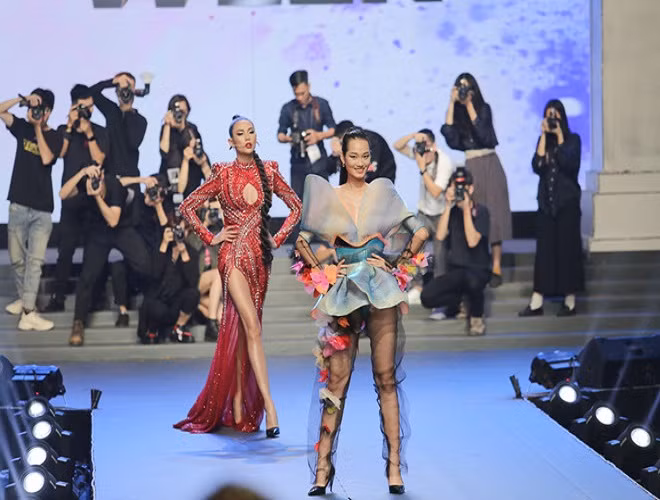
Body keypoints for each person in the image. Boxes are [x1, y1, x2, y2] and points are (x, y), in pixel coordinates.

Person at [295, 128, 429, 496]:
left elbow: (419, 231)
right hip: (343, 295)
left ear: (371, 160)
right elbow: (302, 240)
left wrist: (396, 262)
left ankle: (394, 467)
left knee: (386, 378)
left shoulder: (383, 191)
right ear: (342, 158)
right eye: (352, 156)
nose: (359, 162)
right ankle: (322, 468)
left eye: (364, 156)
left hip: (381, 290)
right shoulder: (329, 195)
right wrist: (325, 271)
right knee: (336, 383)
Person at [174, 116, 302, 437]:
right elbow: (188, 206)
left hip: (260, 260)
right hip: (232, 257)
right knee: (252, 327)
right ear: (230, 142)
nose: (247, 137)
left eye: (251, 132)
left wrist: (279, 237)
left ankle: (239, 402)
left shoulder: (268, 171)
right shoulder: (223, 173)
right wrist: (211, 236)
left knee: (247, 329)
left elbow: (296, 207)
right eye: (240, 134)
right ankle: (271, 407)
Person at [61, 165, 153, 346]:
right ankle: (78, 323)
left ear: (102, 176)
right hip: (98, 232)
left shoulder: (113, 185)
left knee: (145, 264)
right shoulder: (86, 184)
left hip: (121, 227)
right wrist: (81, 173)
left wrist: (96, 196)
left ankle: (131, 285)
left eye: (97, 178)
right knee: (87, 276)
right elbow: (63, 194)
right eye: (92, 179)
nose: (94, 182)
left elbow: (113, 220)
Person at [441, 72, 511, 287]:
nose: (463, 91)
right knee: (473, 212)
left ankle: (496, 266)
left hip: (490, 163)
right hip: (472, 164)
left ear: (473, 90)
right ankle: (479, 263)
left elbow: (484, 134)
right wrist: (452, 103)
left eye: (467, 87)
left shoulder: (483, 109)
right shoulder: (457, 115)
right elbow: (450, 138)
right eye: (459, 87)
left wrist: (469, 104)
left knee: (495, 213)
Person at [0, 89, 62, 331]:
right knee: (17, 259)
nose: (33, 111)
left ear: (48, 112)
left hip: (42, 209)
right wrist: (21, 100)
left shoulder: (55, 136)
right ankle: (26, 301)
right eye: (31, 107)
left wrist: (38, 128)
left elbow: (46, 158)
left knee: (34, 262)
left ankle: (28, 312)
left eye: (38, 108)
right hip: (18, 203)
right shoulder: (22, 128)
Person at [45, 84, 109, 312]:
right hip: (71, 198)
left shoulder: (99, 131)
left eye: (90, 107)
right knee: (65, 251)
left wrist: (89, 133)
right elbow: (59, 155)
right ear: (73, 106)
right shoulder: (65, 130)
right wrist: (71, 127)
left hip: (94, 199)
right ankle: (58, 297)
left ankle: (96, 298)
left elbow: (100, 159)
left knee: (95, 252)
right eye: (82, 107)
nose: (87, 111)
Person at [519, 99, 584, 317]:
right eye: (549, 115)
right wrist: (544, 136)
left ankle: (570, 301)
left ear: (562, 117)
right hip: (546, 205)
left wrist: (559, 135)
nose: (552, 119)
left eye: (555, 115)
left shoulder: (573, 140)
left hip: (567, 204)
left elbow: (569, 164)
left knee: (567, 251)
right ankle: (536, 302)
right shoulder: (544, 141)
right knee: (544, 253)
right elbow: (537, 166)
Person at [420, 168, 491, 336]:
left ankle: (476, 317)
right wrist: (447, 205)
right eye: (455, 186)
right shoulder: (451, 212)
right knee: (427, 296)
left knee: (473, 282)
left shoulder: (481, 211)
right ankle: (461, 301)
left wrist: (466, 209)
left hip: (477, 270)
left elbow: (472, 241)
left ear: (470, 188)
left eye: (462, 186)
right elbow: (439, 236)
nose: (459, 190)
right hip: (457, 270)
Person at [393, 128, 454, 315]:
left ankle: (440, 295)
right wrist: (413, 136)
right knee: (415, 250)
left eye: (426, 147)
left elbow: (436, 192)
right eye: (421, 147)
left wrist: (422, 169)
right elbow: (397, 146)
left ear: (434, 146)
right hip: (424, 213)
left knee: (440, 255)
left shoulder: (444, 162)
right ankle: (417, 287)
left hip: (442, 214)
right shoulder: (421, 154)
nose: (423, 152)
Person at [277, 70, 336, 201]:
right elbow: (280, 134)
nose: (299, 97)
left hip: (319, 162)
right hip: (298, 164)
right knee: (298, 204)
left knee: (324, 202)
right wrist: (290, 139)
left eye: (302, 93)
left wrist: (318, 136)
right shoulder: (288, 108)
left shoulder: (321, 104)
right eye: (296, 94)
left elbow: (333, 129)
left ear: (308, 86)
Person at [137, 223, 200, 344]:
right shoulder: (159, 248)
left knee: (193, 294)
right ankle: (152, 329)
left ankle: (178, 327)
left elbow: (193, 282)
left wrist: (184, 253)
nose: (178, 234)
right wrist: (164, 244)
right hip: (159, 298)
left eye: (181, 231)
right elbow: (154, 275)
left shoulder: (191, 252)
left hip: (176, 301)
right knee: (154, 306)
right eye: (175, 230)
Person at [87, 72, 147, 178]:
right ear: (116, 92)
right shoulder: (112, 111)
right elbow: (89, 93)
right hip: (110, 175)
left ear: (134, 91)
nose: (125, 92)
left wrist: (128, 111)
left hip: (130, 177)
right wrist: (113, 82)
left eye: (128, 88)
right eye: (122, 89)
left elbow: (133, 142)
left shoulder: (141, 120)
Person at [159, 94, 211, 209]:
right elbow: (164, 152)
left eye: (183, 111)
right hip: (172, 178)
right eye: (177, 111)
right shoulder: (166, 128)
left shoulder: (192, 128)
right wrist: (167, 125)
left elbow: (197, 150)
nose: (180, 114)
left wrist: (182, 126)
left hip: (191, 177)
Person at [329, 120, 397, 184]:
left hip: (381, 179)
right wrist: (335, 154)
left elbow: (369, 171)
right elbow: (328, 169)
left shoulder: (371, 141)